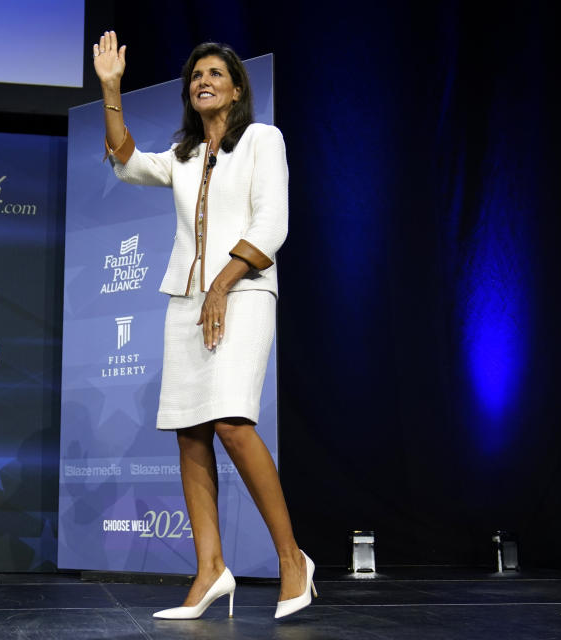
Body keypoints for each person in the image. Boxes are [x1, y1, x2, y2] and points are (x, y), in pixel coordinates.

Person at [93, 32, 316, 620]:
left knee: (232, 421)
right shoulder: (185, 154)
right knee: (191, 432)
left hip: (242, 292)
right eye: (196, 76)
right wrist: (112, 89)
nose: (204, 81)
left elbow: (273, 220)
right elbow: (127, 160)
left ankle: (292, 560)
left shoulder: (263, 140)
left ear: (237, 88)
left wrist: (221, 284)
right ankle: (210, 570)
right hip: (187, 300)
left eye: (216, 74)